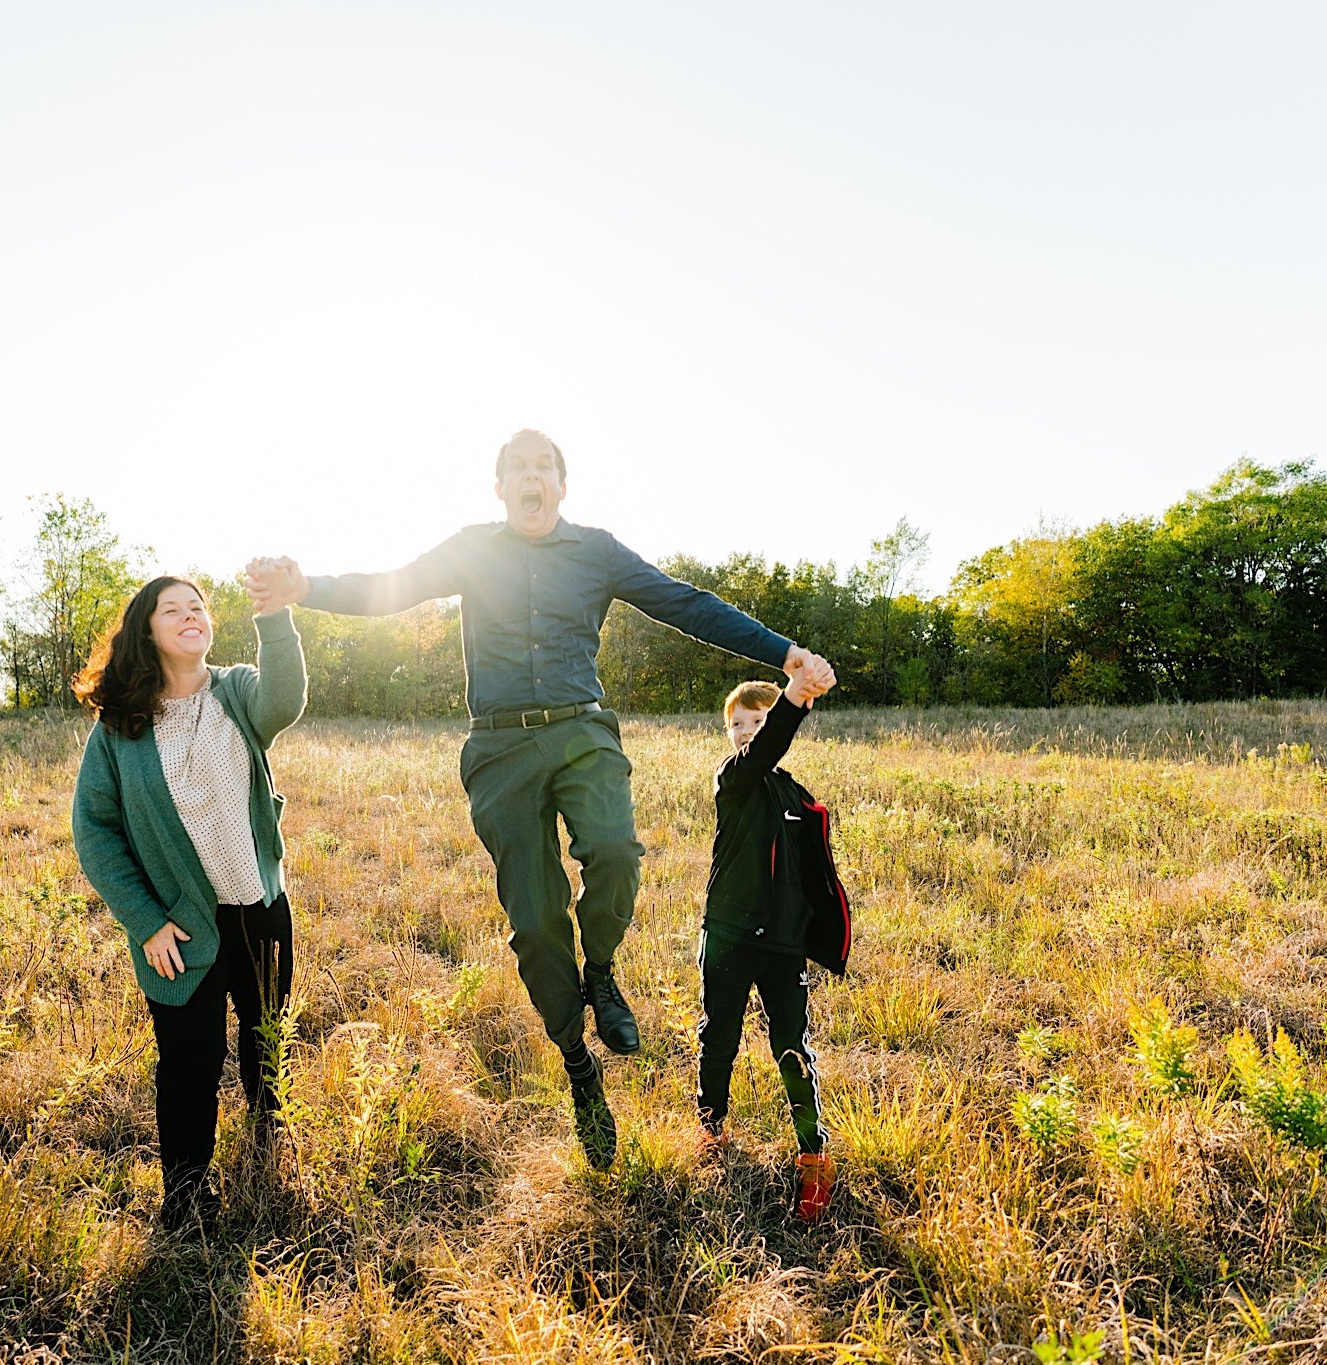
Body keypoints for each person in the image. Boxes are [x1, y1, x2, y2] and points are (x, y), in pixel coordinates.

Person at [244, 429, 835, 1169]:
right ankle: (578, 1064)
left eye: (543, 467)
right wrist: (309, 590)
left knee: (615, 853)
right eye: (517, 469)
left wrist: (782, 653)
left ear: (561, 484)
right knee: (534, 920)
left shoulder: (596, 551)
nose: (531, 478)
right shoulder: (471, 548)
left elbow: (686, 604)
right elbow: (389, 586)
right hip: (499, 748)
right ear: (499, 488)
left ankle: (604, 972)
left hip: (582, 731)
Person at [70, 575, 307, 1233]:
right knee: (188, 1065)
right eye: (171, 609)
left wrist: (275, 614)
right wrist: (146, 922)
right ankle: (184, 1200)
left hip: (258, 907)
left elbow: (285, 699)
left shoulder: (236, 691)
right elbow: (94, 828)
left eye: (197, 606)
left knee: (266, 1042)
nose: (189, 615)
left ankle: (267, 1150)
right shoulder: (121, 726)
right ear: (147, 631)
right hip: (180, 927)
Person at [697, 674, 852, 1222]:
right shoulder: (731, 781)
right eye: (737, 725)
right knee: (719, 1038)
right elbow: (766, 751)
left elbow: (814, 872)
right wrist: (793, 701)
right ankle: (710, 1130)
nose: (745, 732)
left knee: (791, 1046)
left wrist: (817, 930)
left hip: (782, 945)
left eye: (757, 721)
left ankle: (813, 1155)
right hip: (729, 938)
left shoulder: (795, 794)